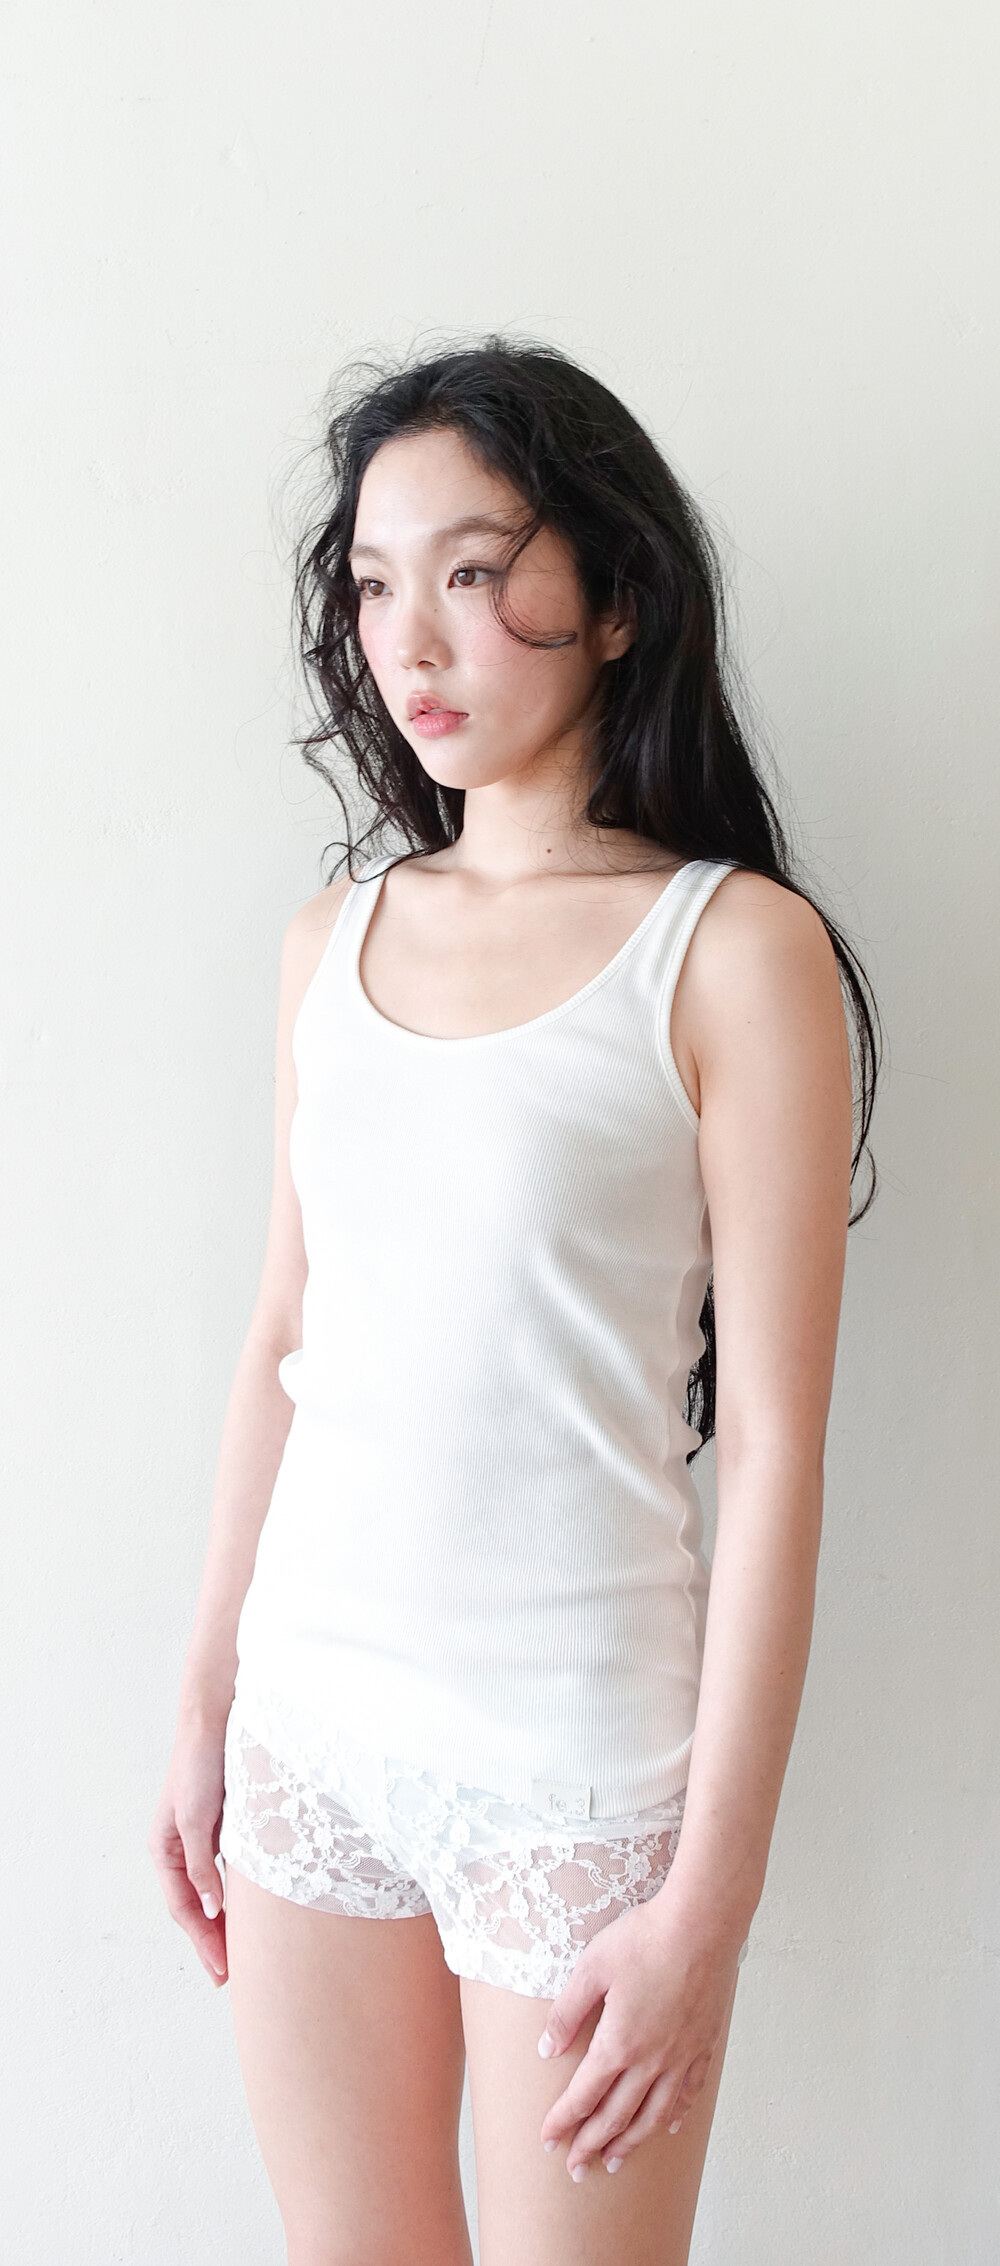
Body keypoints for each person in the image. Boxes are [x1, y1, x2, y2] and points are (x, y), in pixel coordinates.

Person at [148, 337, 880, 2266]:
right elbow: (284, 1342)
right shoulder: (333, 942)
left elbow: (779, 1445)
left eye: (475, 571)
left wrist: (708, 1902)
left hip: (578, 1774)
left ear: (617, 596)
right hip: (313, 1738)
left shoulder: (733, 952)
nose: (416, 636)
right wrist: (209, 1692)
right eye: (377, 583)